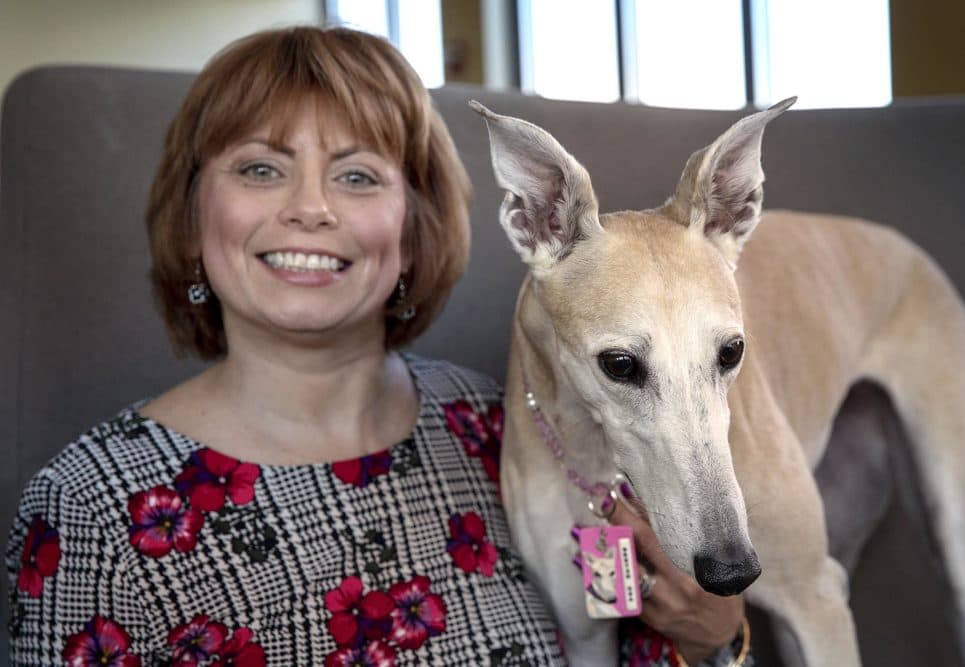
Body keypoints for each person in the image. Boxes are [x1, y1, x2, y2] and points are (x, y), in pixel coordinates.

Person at [5, 25, 748, 666]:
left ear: (413, 224)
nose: (309, 208)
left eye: (357, 175)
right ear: (194, 209)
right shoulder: (88, 511)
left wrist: (722, 638)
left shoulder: (511, 425)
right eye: (260, 168)